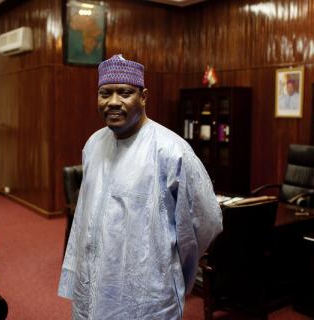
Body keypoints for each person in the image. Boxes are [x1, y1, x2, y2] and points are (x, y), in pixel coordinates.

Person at [58, 54, 223, 320]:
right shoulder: (93, 145)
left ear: (143, 96)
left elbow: (206, 221)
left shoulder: (172, 151)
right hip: (93, 283)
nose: (113, 102)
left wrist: (171, 267)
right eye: (105, 93)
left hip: (147, 295)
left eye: (124, 93)